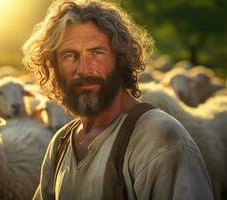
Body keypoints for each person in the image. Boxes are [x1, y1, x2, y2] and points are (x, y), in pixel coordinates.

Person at [23, 0, 214, 199]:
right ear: (55, 67)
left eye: (97, 52)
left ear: (121, 59)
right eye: (70, 55)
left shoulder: (161, 140)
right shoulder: (60, 144)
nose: (84, 69)